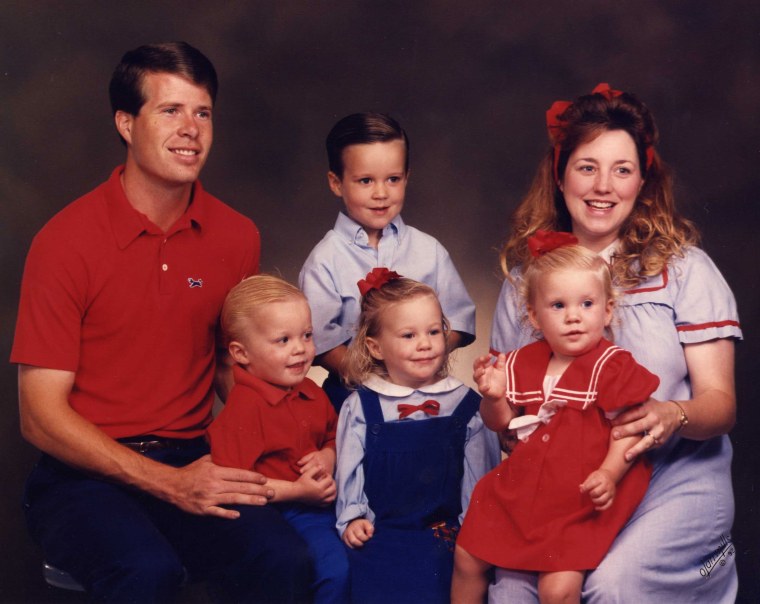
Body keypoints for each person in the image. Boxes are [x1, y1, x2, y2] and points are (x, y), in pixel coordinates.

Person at [11, 42, 312, 602]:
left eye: (202, 112)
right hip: (82, 477)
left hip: (193, 457)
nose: (191, 130)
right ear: (126, 123)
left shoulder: (236, 235)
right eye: (170, 111)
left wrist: (302, 440)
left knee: (287, 560)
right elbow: (39, 416)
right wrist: (170, 484)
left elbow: (234, 369)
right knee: (146, 573)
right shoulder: (64, 242)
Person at [487, 83, 741, 602]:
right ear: (559, 175)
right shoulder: (527, 280)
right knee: (513, 591)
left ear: (642, 182)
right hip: (565, 489)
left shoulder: (685, 270)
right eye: (587, 167)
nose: (603, 186)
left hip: (672, 477)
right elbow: (509, 409)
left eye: (622, 169)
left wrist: (674, 413)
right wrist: (515, 431)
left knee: (613, 586)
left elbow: (721, 405)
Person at [452, 234, 660, 603]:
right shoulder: (522, 361)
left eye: (587, 304)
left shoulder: (611, 366)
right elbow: (498, 423)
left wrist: (610, 473)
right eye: (558, 305)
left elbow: (627, 429)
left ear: (607, 310)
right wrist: (494, 396)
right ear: (535, 315)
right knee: (467, 556)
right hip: (526, 485)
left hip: (581, 490)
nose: (574, 316)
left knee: (557, 588)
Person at [335, 268, 500, 604]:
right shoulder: (361, 405)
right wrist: (352, 515)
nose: (425, 344)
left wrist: (473, 530)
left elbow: (480, 480)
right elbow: (350, 470)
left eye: (434, 331)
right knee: (364, 579)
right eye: (408, 336)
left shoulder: (467, 404)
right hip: (381, 529)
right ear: (375, 347)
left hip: (445, 532)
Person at [299, 112, 476, 411]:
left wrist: (423, 359)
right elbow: (321, 342)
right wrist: (376, 378)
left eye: (393, 179)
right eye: (365, 180)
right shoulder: (324, 260)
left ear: (407, 177)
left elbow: (459, 319)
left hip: (426, 392)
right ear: (336, 182)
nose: (381, 193)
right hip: (353, 396)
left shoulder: (428, 250)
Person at [207, 274, 349, 603]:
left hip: (327, 501)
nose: (300, 349)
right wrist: (299, 491)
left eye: (307, 335)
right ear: (241, 353)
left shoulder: (311, 392)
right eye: (282, 340)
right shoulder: (244, 409)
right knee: (334, 569)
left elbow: (335, 435)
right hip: (287, 510)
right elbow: (236, 486)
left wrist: (328, 456)